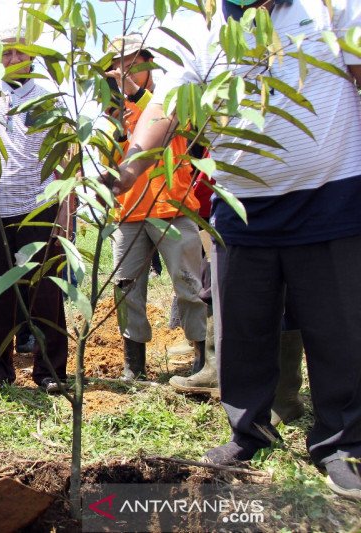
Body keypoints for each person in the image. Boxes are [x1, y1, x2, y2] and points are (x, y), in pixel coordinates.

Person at [111, 0, 361, 500]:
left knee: (338, 332)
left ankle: (341, 444)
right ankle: (248, 433)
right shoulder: (202, 29)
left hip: (332, 195)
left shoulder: (332, 8)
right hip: (242, 209)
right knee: (241, 331)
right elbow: (169, 105)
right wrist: (133, 164)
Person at [100, 33, 207, 381]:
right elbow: (109, 161)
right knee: (126, 288)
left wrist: (136, 95)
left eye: (132, 63)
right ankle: (135, 366)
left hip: (171, 207)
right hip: (129, 213)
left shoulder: (174, 98)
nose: (124, 70)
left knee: (188, 283)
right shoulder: (112, 111)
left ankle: (204, 360)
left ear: (149, 64)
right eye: (117, 65)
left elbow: (185, 134)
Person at [0, 29, 69, 396]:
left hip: (39, 205)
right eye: (6, 54)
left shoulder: (48, 98)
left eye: (19, 53)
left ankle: (50, 371)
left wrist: (64, 208)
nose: (13, 60)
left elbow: (63, 155)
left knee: (44, 289)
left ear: (32, 55)